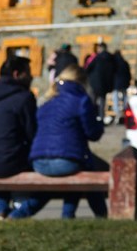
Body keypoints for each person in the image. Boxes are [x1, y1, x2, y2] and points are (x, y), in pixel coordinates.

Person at [11, 65, 108, 219]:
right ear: (82, 82)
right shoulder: (81, 100)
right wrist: (99, 124)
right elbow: (92, 134)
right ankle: (95, 214)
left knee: (55, 184)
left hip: (39, 161)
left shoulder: (47, 102)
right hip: (66, 161)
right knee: (86, 169)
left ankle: (17, 215)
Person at [0, 56, 44, 220]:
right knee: (43, 176)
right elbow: (33, 134)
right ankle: (17, 215)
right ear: (17, 74)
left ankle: (1, 211)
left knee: (2, 158)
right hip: (9, 162)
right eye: (28, 73)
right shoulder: (24, 97)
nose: (32, 77)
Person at [85, 42, 116, 122]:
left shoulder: (97, 57)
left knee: (93, 100)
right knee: (102, 101)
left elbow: (88, 68)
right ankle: (101, 117)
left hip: (95, 82)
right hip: (105, 83)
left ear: (100, 48)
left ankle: (91, 117)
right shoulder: (111, 58)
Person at [112, 50, 131, 121]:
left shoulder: (114, 63)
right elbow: (128, 73)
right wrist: (128, 81)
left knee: (115, 97)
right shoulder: (124, 62)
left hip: (116, 82)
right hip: (124, 82)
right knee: (125, 96)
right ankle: (125, 109)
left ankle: (117, 111)